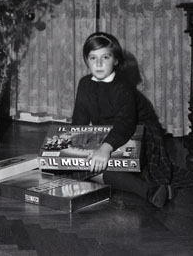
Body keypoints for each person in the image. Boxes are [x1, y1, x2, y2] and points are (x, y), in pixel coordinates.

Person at [71, 32, 173, 208]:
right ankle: (146, 188)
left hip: (139, 133)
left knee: (97, 165)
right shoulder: (85, 84)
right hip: (109, 133)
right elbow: (79, 122)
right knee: (82, 165)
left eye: (105, 57)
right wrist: (71, 148)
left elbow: (125, 124)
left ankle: (148, 191)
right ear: (86, 60)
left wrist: (105, 148)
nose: (99, 64)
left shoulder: (122, 86)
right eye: (93, 58)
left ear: (116, 60)